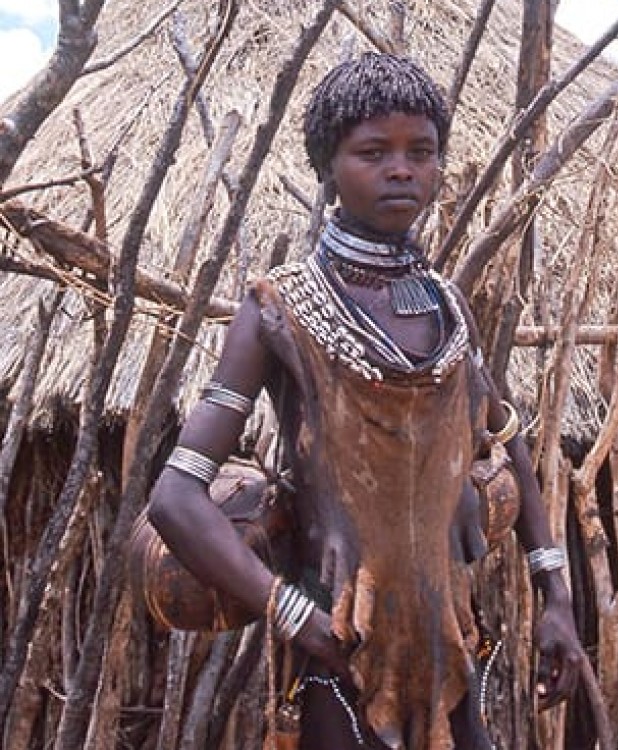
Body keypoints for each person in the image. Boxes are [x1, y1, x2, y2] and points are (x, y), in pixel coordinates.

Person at [148, 52, 582, 750]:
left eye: (422, 152)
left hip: (451, 653)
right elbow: (175, 497)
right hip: (341, 657)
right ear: (329, 165)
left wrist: (555, 594)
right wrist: (295, 617)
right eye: (373, 152)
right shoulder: (279, 310)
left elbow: (506, 440)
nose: (402, 169)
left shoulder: (448, 311)